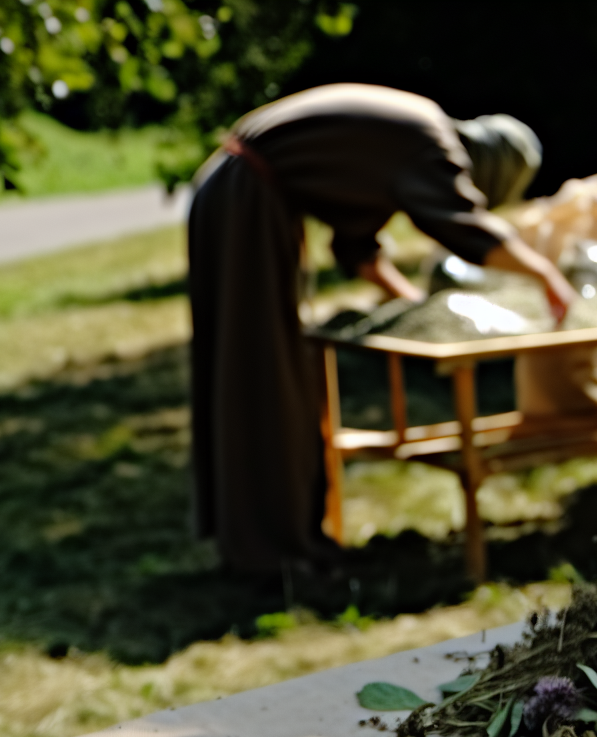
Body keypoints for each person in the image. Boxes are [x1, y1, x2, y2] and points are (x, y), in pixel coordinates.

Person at [187, 83, 576, 575]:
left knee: (257, 366)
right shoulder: (430, 141)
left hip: (234, 190)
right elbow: (462, 227)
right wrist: (546, 275)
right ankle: (274, 551)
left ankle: (268, 536)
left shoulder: (408, 137)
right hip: (244, 197)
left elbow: (358, 243)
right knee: (263, 371)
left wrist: (411, 301)